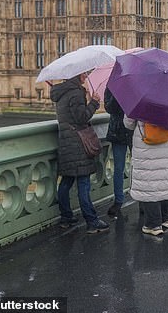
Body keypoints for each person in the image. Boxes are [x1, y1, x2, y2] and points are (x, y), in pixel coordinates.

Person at [50, 72, 110, 233]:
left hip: (66, 142)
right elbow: (81, 117)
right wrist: (94, 103)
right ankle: (91, 221)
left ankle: (66, 217)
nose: (86, 75)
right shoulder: (76, 93)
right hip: (78, 143)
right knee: (83, 183)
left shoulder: (60, 92)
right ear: (76, 75)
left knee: (66, 182)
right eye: (84, 73)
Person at [123, 117, 168, 236]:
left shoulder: (139, 100)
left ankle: (153, 224)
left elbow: (128, 124)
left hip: (146, 147)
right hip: (167, 145)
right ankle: (167, 217)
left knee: (149, 184)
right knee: (166, 180)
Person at [104, 87, 133, 218]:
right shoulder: (112, 86)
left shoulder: (135, 82)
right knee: (118, 168)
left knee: (138, 167)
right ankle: (118, 200)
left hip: (134, 131)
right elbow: (109, 108)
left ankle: (143, 200)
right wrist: (118, 95)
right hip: (117, 132)